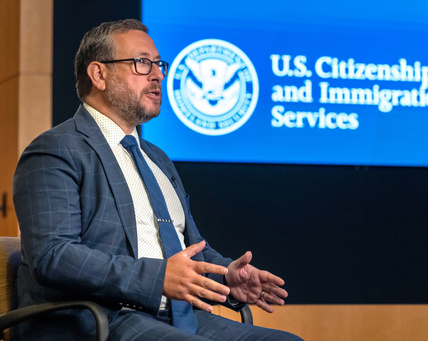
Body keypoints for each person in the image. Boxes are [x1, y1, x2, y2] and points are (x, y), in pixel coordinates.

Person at [12, 19, 303, 341]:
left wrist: (226, 277)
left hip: (177, 315)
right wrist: (156, 277)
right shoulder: (56, 149)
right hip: (99, 317)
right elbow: (53, 255)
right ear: (99, 75)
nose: (158, 75)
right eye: (142, 63)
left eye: (158, 64)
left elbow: (185, 247)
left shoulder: (157, 158)